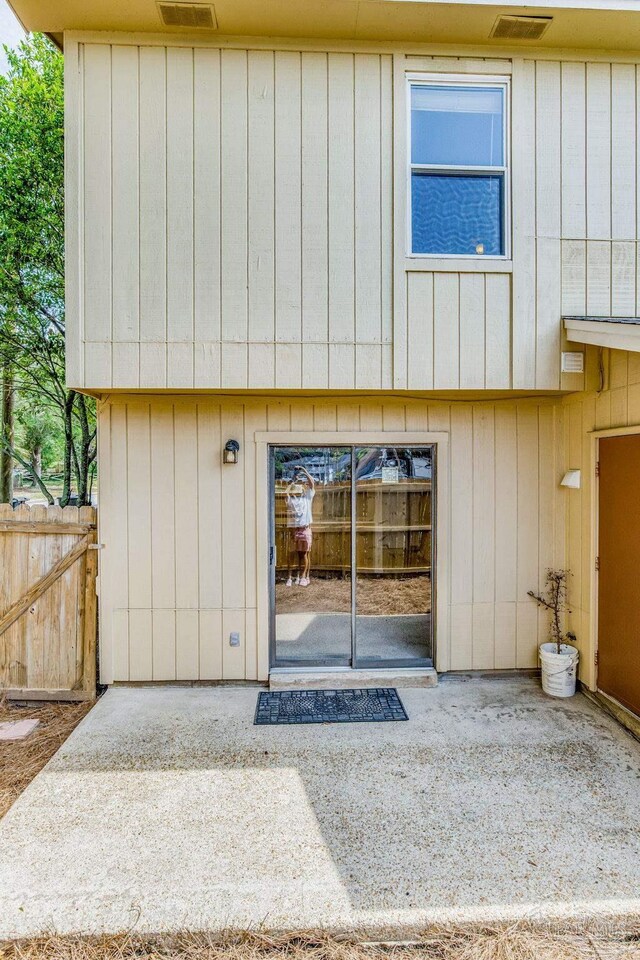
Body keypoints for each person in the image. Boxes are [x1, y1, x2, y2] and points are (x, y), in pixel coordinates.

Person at [285, 465, 315, 587]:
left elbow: (312, 483)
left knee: (305, 554)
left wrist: (303, 470)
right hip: (295, 530)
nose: (300, 487)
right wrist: (293, 480)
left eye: (302, 486)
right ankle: (295, 576)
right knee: (295, 554)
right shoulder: (292, 500)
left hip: (306, 529)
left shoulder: (307, 497)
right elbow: (285, 493)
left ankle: (304, 576)